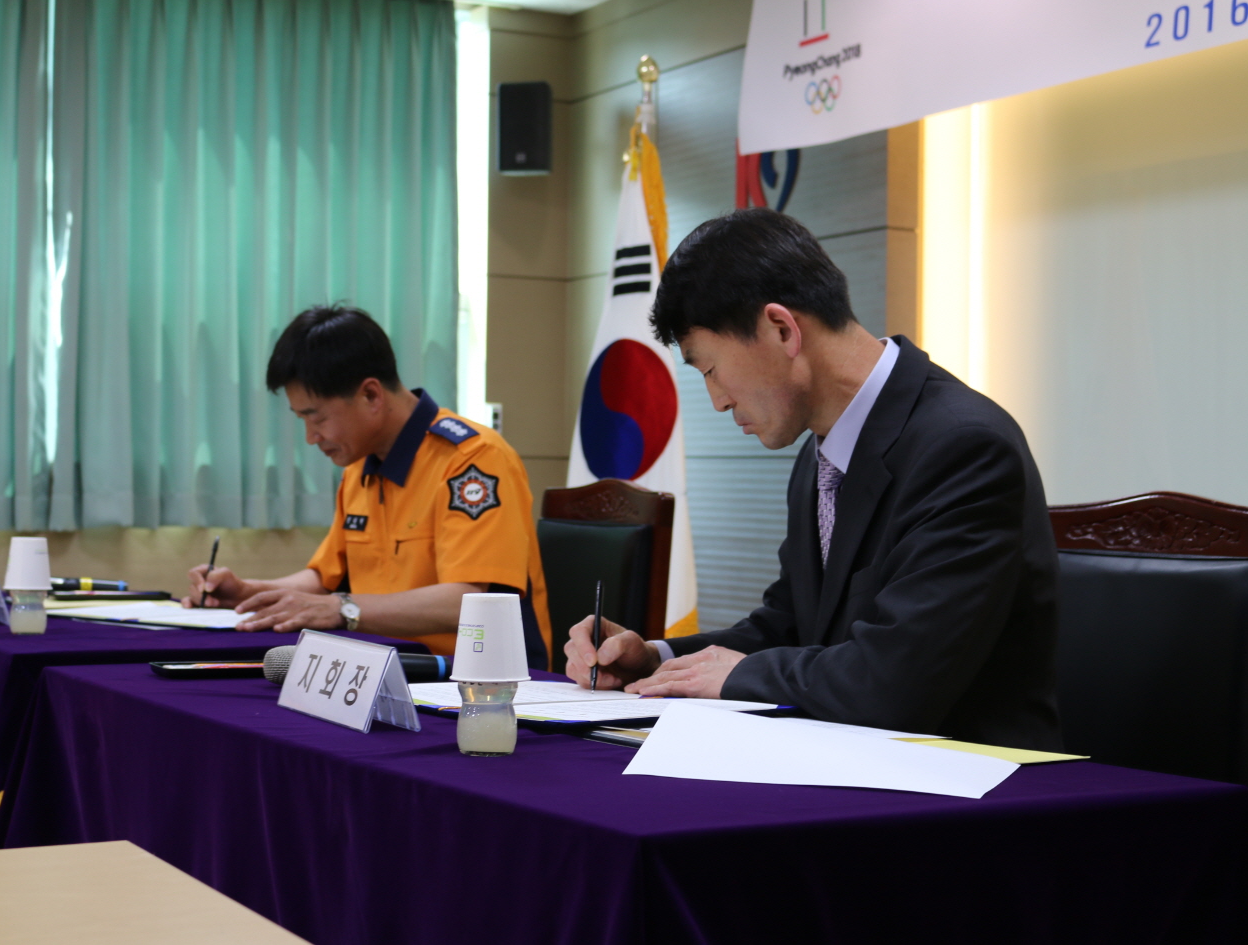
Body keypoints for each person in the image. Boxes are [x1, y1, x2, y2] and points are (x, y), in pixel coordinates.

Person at [566, 207, 1060, 749]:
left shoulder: (964, 447)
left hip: (974, 779)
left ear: (782, 329)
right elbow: (791, 626)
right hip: (855, 759)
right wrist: (655, 660)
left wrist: (737, 675)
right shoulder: (821, 454)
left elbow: (896, 681)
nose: (718, 400)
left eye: (710, 369)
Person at [186, 306, 550, 665]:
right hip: (383, 668)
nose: (311, 437)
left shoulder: (472, 460)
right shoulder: (360, 466)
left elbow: (467, 602)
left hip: (476, 680)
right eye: (302, 420)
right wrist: (248, 593)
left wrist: (343, 609)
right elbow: (325, 580)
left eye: (317, 418)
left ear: (371, 395)